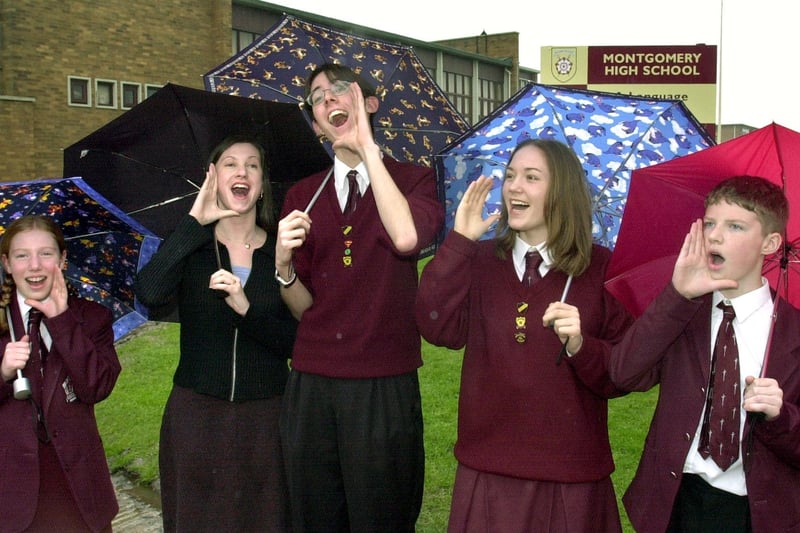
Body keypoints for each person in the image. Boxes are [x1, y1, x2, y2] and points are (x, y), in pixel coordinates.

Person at [415, 139, 633, 532]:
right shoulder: (478, 260)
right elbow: (437, 326)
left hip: (570, 478)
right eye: (511, 175)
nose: (514, 186)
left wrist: (581, 346)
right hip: (488, 470)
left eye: (531, 178)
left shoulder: (601, 269)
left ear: (561, 192)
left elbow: (624, 374)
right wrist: (458, 243)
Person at [275, 63, 443, 531]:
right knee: (316, 517)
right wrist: (283, 267)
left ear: (368, 104)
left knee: (383, 517)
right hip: (311, 386)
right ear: (315, 125)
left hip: (383, 384)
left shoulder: (414, 180)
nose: (328, 101)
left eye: (340, 91)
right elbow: (304, 309)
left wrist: (367, 151)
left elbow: (407, 238)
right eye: (318, 98)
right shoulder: (302, 196)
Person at [609, 175, 800, 532]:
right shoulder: (685, 312)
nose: (714, 236)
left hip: (754, 514)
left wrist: (780, 415)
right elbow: (624, 373)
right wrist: (676, 295)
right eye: (710, 223)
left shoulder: (791, 333)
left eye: (735, 226)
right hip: (677, 502)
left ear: (770, 243)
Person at [134, 135, 296, 532]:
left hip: (267, 417)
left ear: (261, 185)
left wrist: (247, 311)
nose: (241, 172)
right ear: (213, 177)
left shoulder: (281, 250)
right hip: (197, 415)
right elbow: (149, 293)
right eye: (229, 163)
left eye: (252, 164)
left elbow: (297, 342)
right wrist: (194, 222)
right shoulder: (194, 247)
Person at [0, 214, 121, 532]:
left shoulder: (92, 319)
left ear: (63, 259)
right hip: (12, 498)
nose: (35, 266)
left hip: (79, 492)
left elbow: (97, 387)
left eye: (46, 253)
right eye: (22, 255)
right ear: (7, 263)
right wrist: (1, 374)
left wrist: (62, 320)